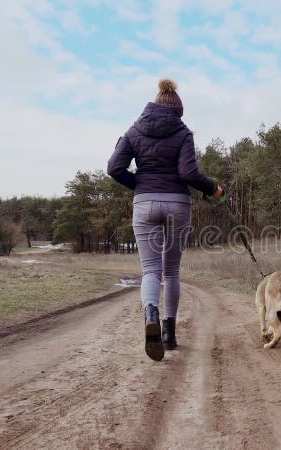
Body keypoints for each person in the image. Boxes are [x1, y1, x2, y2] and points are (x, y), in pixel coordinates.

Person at [107, 78, 224, 361]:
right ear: (177, 111)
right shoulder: (182, 132)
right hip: (177, 204)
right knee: (171, 271)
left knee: (150, 271)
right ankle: (169, 335)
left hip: (145, 203)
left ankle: (151, 313)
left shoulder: (134, 130)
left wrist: (139, 184)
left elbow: (114, 167)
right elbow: (188, 173)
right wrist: (213, 188)